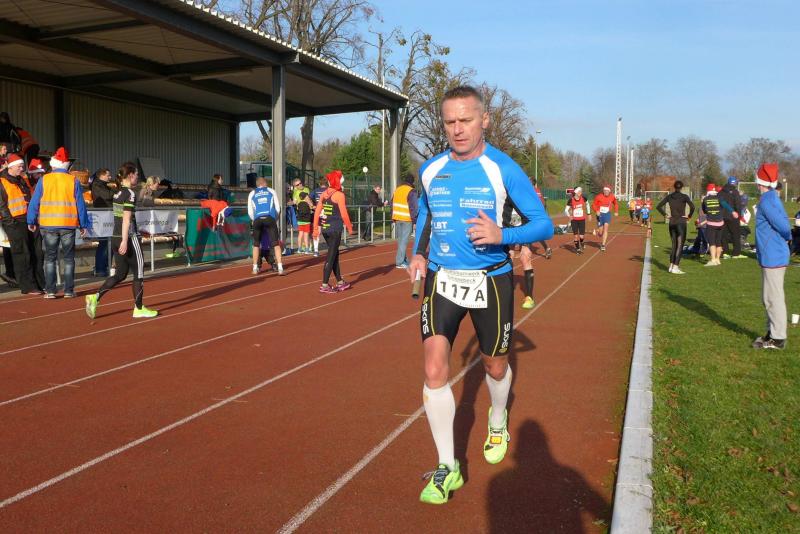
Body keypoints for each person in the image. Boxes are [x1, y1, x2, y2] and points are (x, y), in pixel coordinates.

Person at [408, 86, 552, 505]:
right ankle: (446, 467)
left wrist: (502, 234)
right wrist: (419, 253)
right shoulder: (431, 169)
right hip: (441, 279)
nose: (457, 129)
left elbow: (543, 224)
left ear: (484, 120)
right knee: (434, 368)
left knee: (495, 366)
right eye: (450, 122)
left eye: (466, 120)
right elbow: (426, 215)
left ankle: (497, 417)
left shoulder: (502, 169)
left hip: (491, 280)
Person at [85, 162, 158, 319]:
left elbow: (121, 218)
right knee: (139, 272)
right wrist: (126, 239)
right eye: (136, 174)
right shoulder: (130, 194)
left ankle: (95, 297)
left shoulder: (118, 193)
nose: (138, 177)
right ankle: (139, 308)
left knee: (120, 274)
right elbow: (126, 219)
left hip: (116, 237)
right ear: (130, 175)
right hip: (128, 238)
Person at [26, 147, 90, 298]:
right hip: (68, 224)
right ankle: (68, 290)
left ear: (53, 164)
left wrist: (31, 220)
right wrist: (83, 224)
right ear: (66, 165)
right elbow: (80, 205)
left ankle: (50, 291)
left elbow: (34, 202)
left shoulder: (44, 179)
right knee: (68, 259)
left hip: (48, 225)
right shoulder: (73, 180)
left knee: (50, 258)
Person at [751, 163, 791, 350]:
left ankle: (778, 338)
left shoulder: (767, 201)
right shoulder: (770, 198)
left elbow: (784, 226)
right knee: (768, 297)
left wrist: (787, 237)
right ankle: (771, 332)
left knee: (773, 298)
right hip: (772, 255)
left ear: (759, 182)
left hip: (773, 255)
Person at [0, 153, 42, 294]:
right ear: (11, 167)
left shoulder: (22, 179)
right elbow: (2, 206)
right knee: (22, 254)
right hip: (14, 222)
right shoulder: (2, 182)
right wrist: (10, 222)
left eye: (22, 166)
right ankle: (27, 286)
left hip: (29, 219)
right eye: (19, 166)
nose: (22, 168)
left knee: (36, 252)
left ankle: (40, 283)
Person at [313, 169, 353, 293]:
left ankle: (340, 281)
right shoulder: (339, 195)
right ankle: (324, 285)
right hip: (335, 229)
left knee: (334, 254)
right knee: (331, 256)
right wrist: (350, 227)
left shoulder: (324, 194)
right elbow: (344, 214)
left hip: (325, 229)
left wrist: (315, 228)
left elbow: (317, 212)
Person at [656, 180, 695, 274]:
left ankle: (671, 266)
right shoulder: (684, 196)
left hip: (672, 222)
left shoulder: (669, 196)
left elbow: (658, 206)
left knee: (674, 245)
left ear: (674, 187)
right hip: (681, 222)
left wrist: (665, 215)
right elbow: (693, 207)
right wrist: (689, 216)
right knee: (680, 245)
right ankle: (675, 267)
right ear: (681, 187)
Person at [247, 176, 284, 275]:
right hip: (269, 218)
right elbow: (278, 208)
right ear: (263, 183)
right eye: (266, 183)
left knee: (256, 244)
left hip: (257, 219)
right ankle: (280, 267)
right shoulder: (271, 191)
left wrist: (254, 219)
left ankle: (255, 268)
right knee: (276, 244)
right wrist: (274, 219)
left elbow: (250, 211)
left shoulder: (252, 193)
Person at [391, 173, 419, 269]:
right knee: (404, 241)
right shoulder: (411, 191)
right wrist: (415, 221)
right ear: (412, 182)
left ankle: (404, 259)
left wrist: (393, 216)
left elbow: (392, 203)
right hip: (407, 219)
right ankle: (399, 262)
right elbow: (413, 207)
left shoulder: (398, 190)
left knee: (400, 240)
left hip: (397, 217)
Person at [90, 168, 114, 277]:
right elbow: (108, 196)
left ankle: (105, 266)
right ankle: (100, 268)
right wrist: (116, 193)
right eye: (108, 175)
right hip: (102, 218)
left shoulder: (103, 186)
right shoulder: (97, 185)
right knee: (104, 243)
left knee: (109, 243)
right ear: (101, 176)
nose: (110, 177)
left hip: (107, 217)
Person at [700, 183, 729, 267]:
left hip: (711, 223)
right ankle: (718, 259)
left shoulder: (705, 199)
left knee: (712, 242)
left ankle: (713, 260)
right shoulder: (720, 198)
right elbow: (724, 207)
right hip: (720, 223)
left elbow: (704, 211)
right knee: (718, 242)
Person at [719, 176, 745, 259]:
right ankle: (736, 253)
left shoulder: (721, 192)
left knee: (723, 234)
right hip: (733, 216)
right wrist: (739, 215)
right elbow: (738, 204)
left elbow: (719, 202)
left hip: (722, 216)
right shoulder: (735, 192)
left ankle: (725, 252)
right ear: (735, 183)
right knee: (736, 234)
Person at [564, 186, 591, 254]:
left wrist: (589, 213)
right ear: (576, 192)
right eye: (579, 191)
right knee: (576, 236)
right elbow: (566, 210)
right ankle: (578, 249)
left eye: (581, 191)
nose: (580, 193)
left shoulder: (583, 198)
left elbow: (588, 204)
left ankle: (582, 242)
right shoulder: (571, 200)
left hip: (582, 220)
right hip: (574, 220)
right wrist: (569, 216)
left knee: (582, 236)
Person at [592, 185, 618, 251]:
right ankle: (598, 231)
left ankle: (603, 245)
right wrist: (596, 210)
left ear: (609, 191)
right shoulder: (598, 196)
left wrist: (616, 211)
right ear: (603, 191)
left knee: (606, 228)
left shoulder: (612, 196)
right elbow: (593, 204)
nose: (606, 192)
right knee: (600, 233)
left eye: (607, 191)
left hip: (607, 214)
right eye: (605, 191)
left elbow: (615, 203)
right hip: (600, 215)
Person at [532, 180, 553, 259]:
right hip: (539, 214)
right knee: (536, 233)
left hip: (533, 214)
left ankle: (525, 251)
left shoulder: (531, 190)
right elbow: (543, 203)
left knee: (529, 232)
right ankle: (547, 248)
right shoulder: (538, 190)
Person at [309, 177, 328, 257]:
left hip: (318, 212)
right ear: (327, 183)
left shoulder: (316, 190)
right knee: (329, 230)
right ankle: (331, 248)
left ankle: (316, 250)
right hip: (327, 212)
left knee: (317, 231)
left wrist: (312, 206)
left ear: (319, 183)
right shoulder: (329, 190)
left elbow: (307, 198)